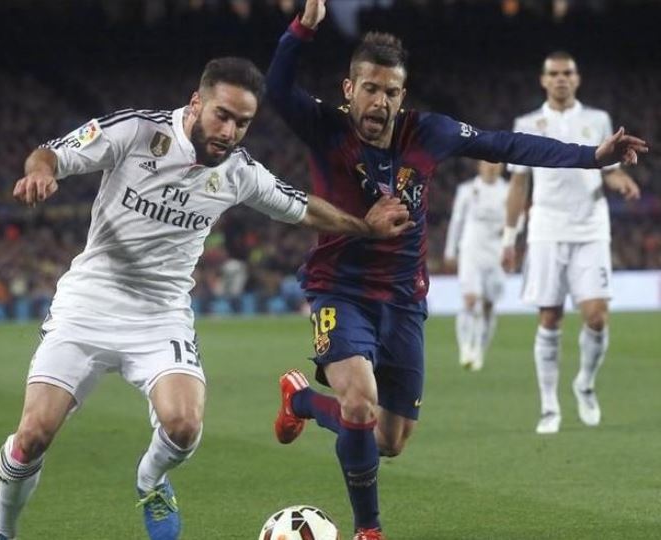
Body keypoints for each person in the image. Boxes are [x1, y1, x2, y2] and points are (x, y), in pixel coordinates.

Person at [0, 56, 414, 540]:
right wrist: (42, 173)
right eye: (222, 116)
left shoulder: (239, 172)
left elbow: (302, 208)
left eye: (242, 123)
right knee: (33, 435)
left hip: (161, 316)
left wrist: (364, 228)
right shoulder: (138, 132)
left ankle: (151, 480)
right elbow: (50, 153)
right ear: (196, 104)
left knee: (183, 426)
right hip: (88, 306)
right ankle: (1, 531)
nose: (230, 132)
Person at [265, 1, 647, 538]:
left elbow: (505, 143)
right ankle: (369, 530)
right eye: (370, 88)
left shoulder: (428, 133)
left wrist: (592, 156)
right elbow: (277, 89)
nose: (380, 101)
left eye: (391, 91)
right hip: (340, 289)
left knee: (390, 440)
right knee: (359, 403)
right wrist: (301, 29)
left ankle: (302, 399)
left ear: (403, 95)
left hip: (404, 300)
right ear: (349, 89)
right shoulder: (325, 127)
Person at [501, 51, 642, 435]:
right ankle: (549, 406)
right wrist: (509, 238)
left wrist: (621, 181)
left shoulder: (598, 120)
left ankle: (585, 384)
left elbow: (608, 171)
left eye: (567, 72)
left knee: (597, 317)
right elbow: (518, 184)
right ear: (543, 80)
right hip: (546, 228)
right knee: (550, 317)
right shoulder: (526, 124)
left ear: (577, 79)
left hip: (590, 227)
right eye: (554, 73)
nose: (561, 78)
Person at [444, 160, 510, 371]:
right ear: (479, 166)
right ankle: (465, 348)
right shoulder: (467, 190)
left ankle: (480, 350)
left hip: (496, 254)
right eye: (487, 163)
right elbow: (457, 221)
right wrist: (450, 250)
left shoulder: (508, 191)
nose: (491, 167)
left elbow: (518, 219)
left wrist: (510, 235)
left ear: (501, 167)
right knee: (470, 300)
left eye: (496, 163)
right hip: (471, 250)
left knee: (489, 305)